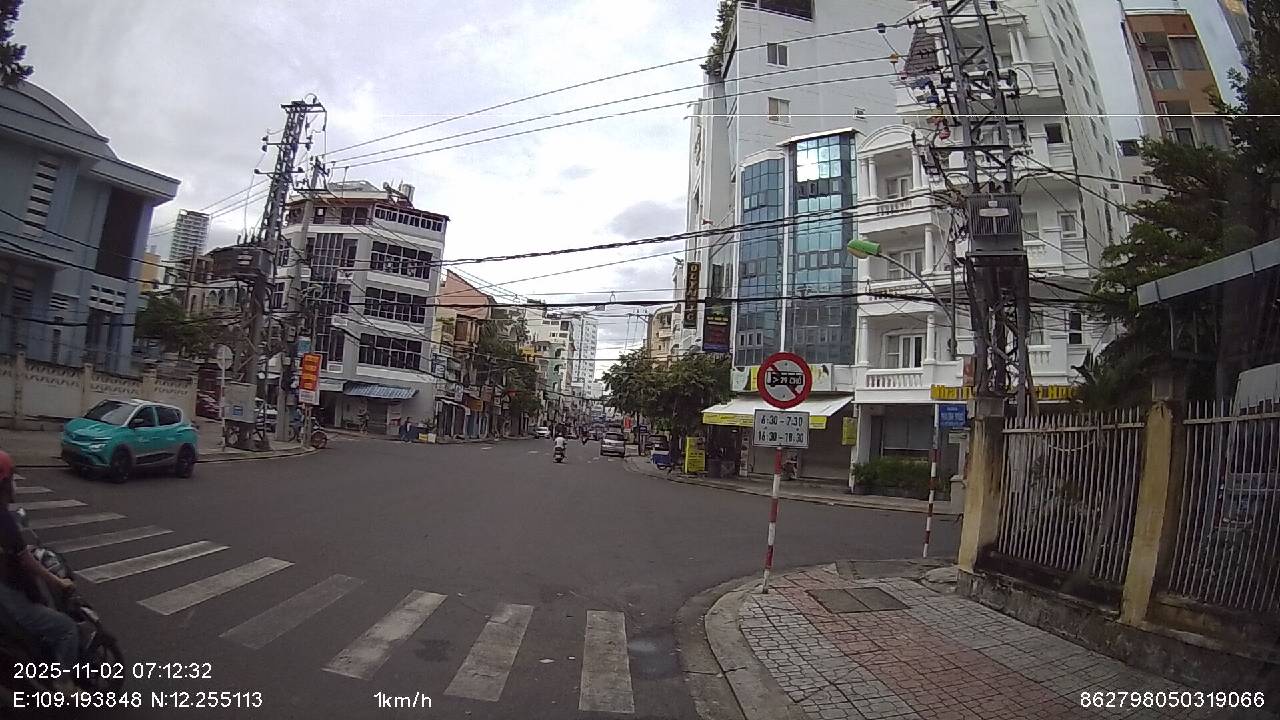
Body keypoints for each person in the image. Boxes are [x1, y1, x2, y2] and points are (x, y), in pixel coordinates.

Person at [0, 451, 79, 689]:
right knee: (67, 629)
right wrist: (58, 582)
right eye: (11, 478)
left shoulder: (6, 518)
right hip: (11, 594)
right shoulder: (3, 521)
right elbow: (26, 561)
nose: (14, 483)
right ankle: (63, 683)